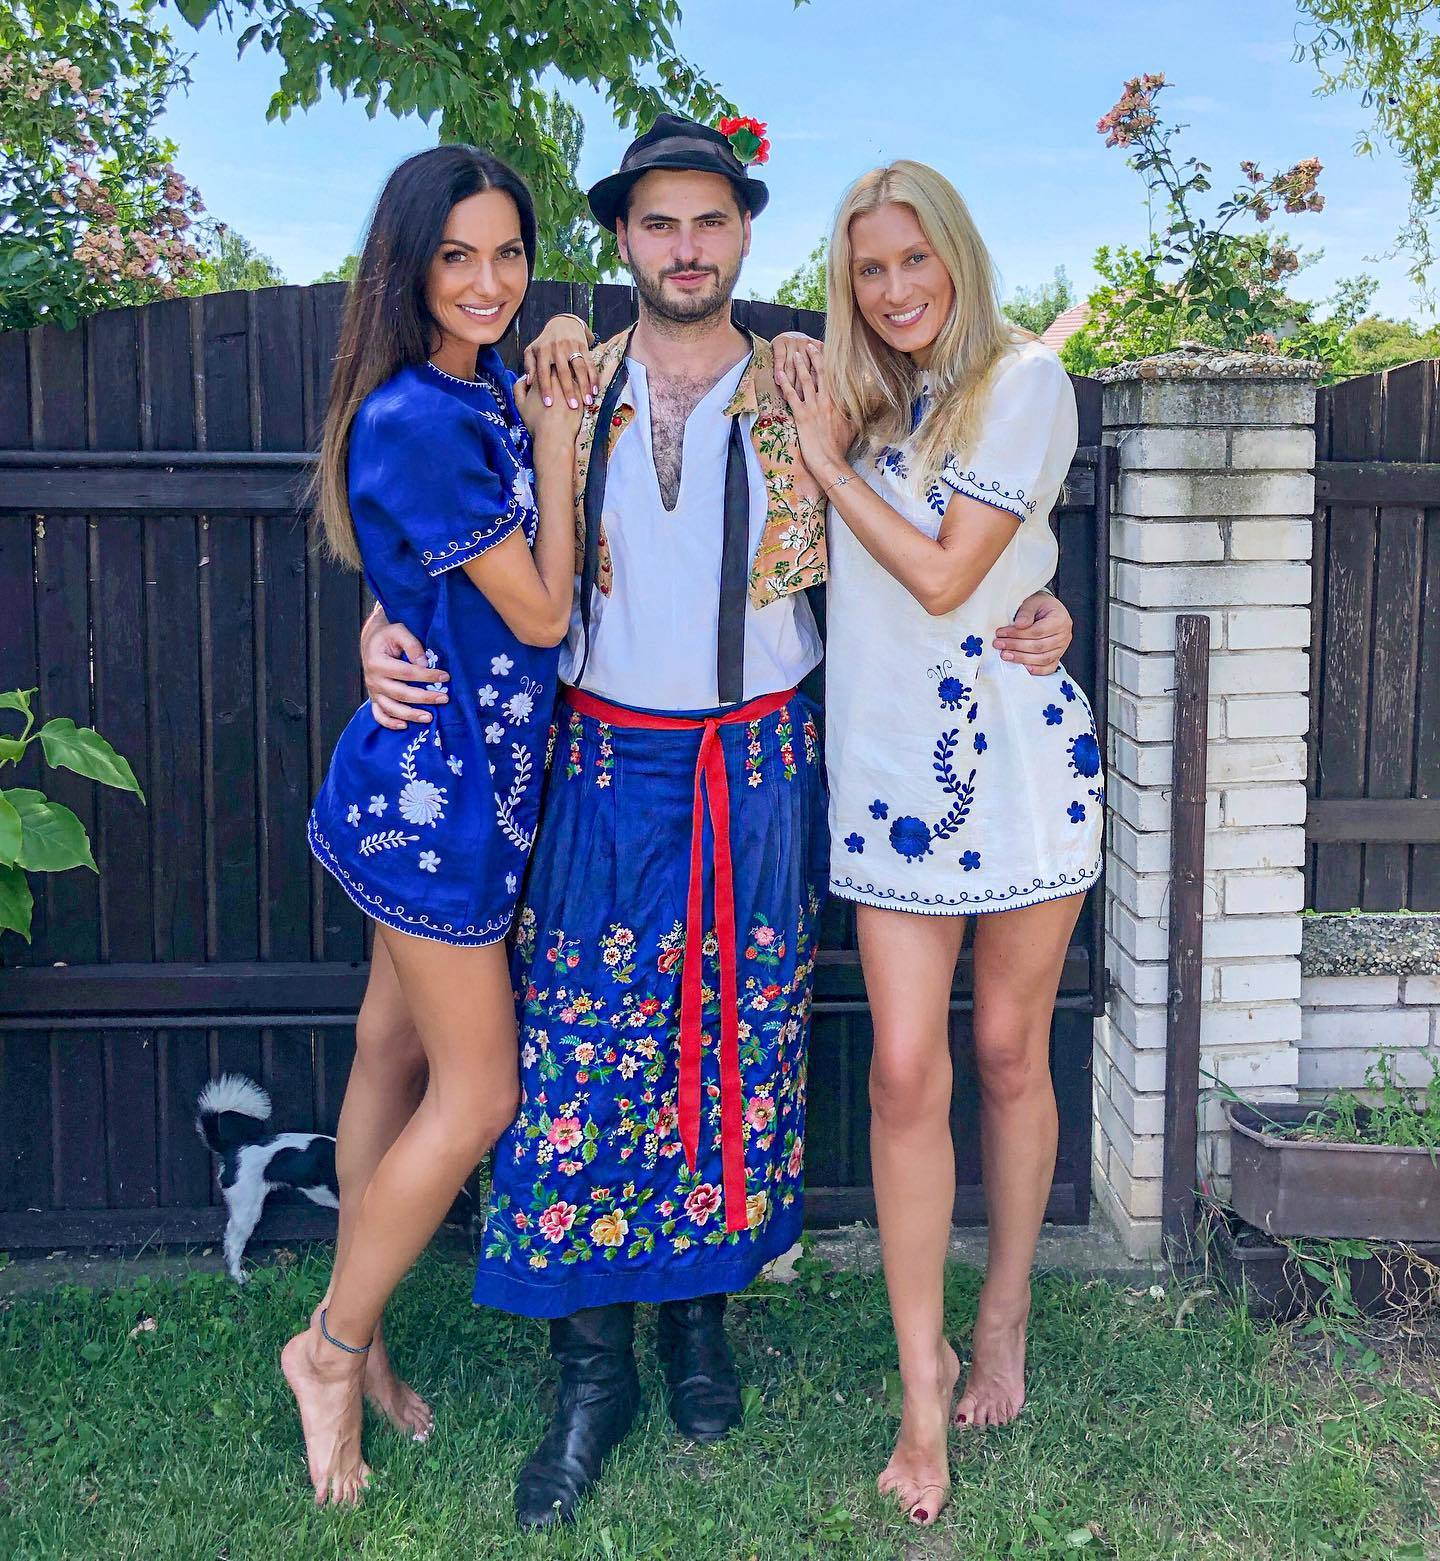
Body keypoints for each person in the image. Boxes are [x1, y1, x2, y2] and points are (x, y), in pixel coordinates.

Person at [358, 115, 1076, 1532]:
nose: (685, 249)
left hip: (758, 758)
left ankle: (700, 1323)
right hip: (603, 757)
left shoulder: (822, 380)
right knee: (582, 1055)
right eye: (657, 224)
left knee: (730, 1050)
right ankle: (592, 1369)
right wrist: (379, 630)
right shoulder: (557, 381)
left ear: (745, 235)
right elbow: (433, 537)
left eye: (709, 222)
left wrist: (1034, 602)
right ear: (623, 240)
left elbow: (949, 505)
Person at [772, 161, 1104, 1527]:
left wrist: (825, 469)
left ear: (959, 256)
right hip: (890, 770)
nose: (896, 287)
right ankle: (925, 1378)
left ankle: (1005, 1306)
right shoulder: (862, 400)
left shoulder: (1022, 378)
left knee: (1010, 1052)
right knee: (905, 1069)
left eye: (916, 259)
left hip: (1016, 765)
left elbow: (947, 573)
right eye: (871, 268)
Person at [283, 143, 579, 1507]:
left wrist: (548, 373)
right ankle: (331, 1350)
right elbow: (541, 613)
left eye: (507, 253)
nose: (487, 280)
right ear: (408, 269)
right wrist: (561, 453)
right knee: (478, 1095)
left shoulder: (479, 389)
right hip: (437, 807)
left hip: (452, 784)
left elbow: (425, 581)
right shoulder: (420, 416)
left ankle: (369, 1335)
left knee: (388, 1050)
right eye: (456, 256)